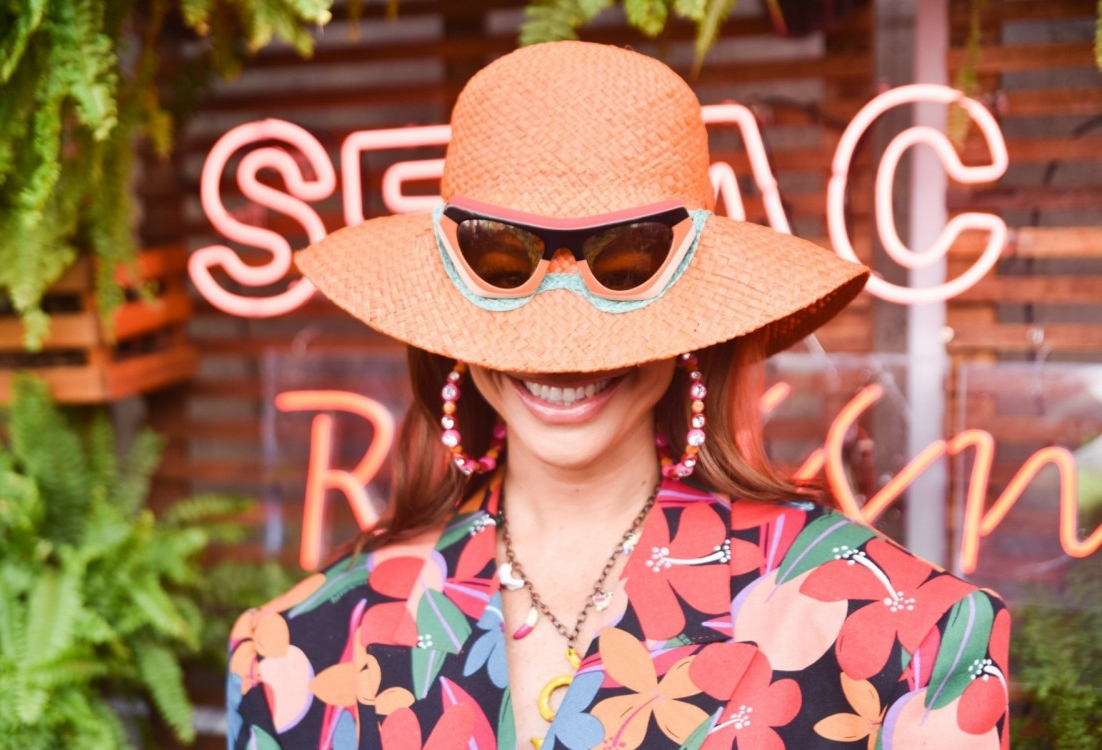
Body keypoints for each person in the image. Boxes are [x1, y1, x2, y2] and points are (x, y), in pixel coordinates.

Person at [226, 41, 1009, 750]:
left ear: (697, 328)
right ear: (451, 331)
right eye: (502, 262)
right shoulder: (304, 648)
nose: (562, 360)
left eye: (627, 264)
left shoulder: (912, 640)